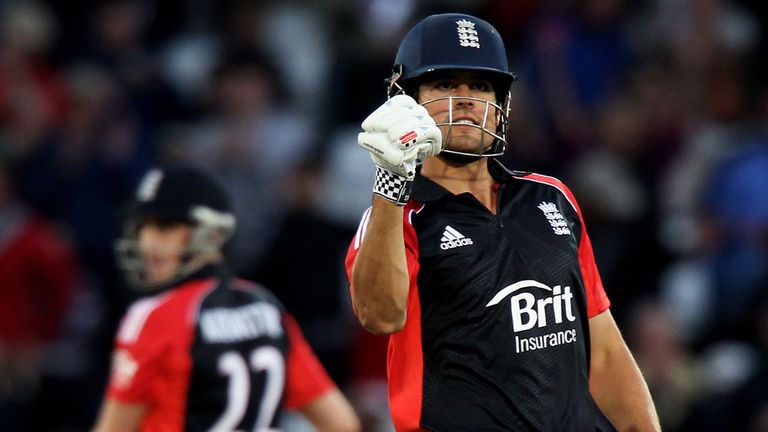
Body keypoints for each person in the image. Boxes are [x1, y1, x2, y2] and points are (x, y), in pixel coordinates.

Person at [345, 13, 660, 431]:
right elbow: (380, 316)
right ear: (406, 101)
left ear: (501, 105)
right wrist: (391, 184)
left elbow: (602, 351)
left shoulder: (552, 196)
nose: (467, 99)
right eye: (444, 83)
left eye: (480, 85)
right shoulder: (397, 217)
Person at [93, 165, 361, 432]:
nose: (147, 242)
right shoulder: (264, 305)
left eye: (165, 226)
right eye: (143, 227)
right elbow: (342, 423)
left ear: (211, 231)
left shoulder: (154, 316)